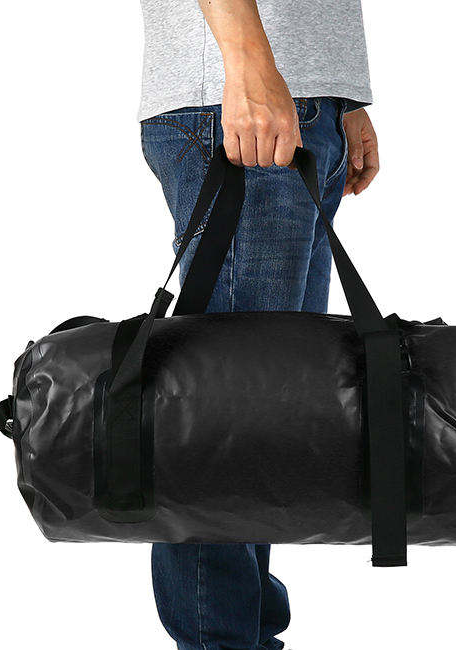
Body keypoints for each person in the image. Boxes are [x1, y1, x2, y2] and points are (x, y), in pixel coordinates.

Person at [139, 1, 378, 648]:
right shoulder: (245, 78)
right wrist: (247, 63)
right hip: (241, 96)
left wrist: (343, 96)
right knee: (222, 419)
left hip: (300, 102)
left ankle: (245, 637)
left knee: (267, 423)